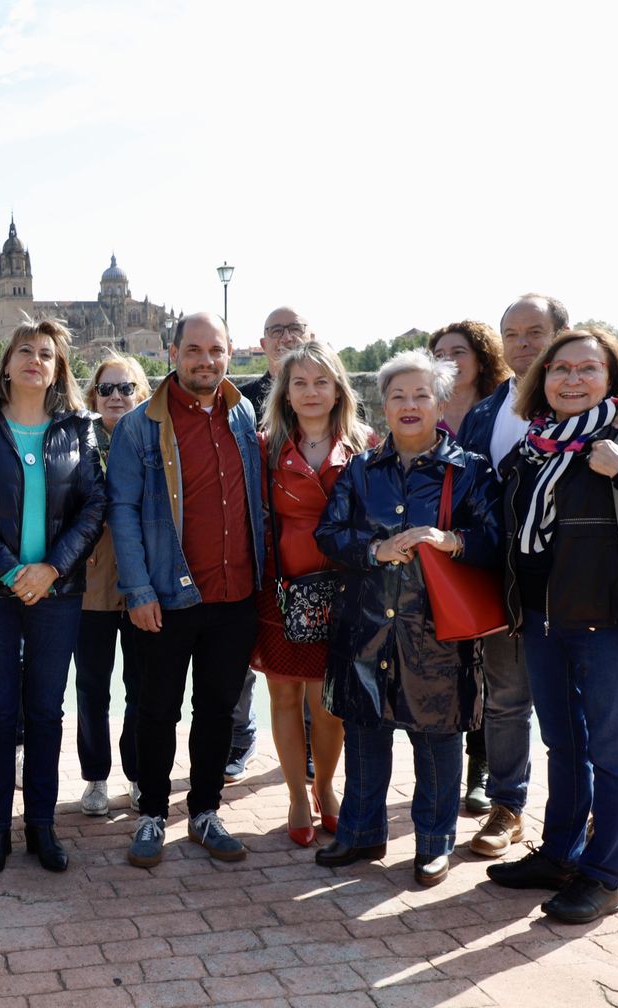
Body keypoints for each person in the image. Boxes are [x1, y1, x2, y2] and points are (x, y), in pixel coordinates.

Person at [487, 328, 618, 923]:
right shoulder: (532, 445)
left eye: (587, 370)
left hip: (606, 618)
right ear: (541, 380)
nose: (572, 380)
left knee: (611, 747)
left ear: (612, 379)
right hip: (539, 616)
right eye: (560, 370)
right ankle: (559, 854)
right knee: (564, 743)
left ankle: (605, 876)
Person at [313, 350, 501, 887]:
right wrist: (375, 551)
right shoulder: (359, 468)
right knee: (365, 733)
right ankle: (361, 830)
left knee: (438, 739)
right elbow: (329, 534)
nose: (409, 405)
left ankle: (433, 843)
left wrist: (454, 540)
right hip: (368, 625)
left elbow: (496, 542)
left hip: (435, 632)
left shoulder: (471, 472)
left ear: (440, 402)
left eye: (421, 394)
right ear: (384, 405)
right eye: (398, 395)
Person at [107, 312, 266, 867]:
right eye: (194, 349)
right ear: (172, 353)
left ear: (228, 354)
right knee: (156, 710)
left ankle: (204, 811)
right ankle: (152, 813)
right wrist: (137, 588)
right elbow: (121, 511)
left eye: (216, 350)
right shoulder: (139, 426)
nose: (206, 360)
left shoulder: (244, 413)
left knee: (218, 710)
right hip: (166, 596)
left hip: (235, 592)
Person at [0, 318, 104, 875]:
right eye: (24, 350)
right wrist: (8, 568)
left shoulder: (79, 428)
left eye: (46, 353)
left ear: (58, 367)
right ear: (6, 361)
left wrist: (50, 568)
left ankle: (40, 825)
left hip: (57, 590)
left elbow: (94, 505)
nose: (34, 360)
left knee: (45, 711)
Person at [250, 342, 375, 846]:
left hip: (344, 590)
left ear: (338, 388)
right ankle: (296, 795)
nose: (310, 392)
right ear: (285, 391)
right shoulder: (266, 445)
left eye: (321, 382)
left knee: (329, 703)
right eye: (299, 382)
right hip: (283, 590)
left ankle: (325, 786)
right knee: (283, 693)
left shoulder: (364, 444)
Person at [453, 295, 565, 853]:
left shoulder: (588, 405)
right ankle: (507, 807)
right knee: (505, 701)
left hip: (574, 585)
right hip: (506, 584)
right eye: (513, 334)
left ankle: (582, 814)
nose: (523, 344)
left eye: (535, 332)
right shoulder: (485, 412)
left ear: (562, 334)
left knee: (576, 707)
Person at [227, 306, 314, 782]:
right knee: (240, 650)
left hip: (306, 554)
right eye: (275, 331)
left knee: (307, 654)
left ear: (309, 335)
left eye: (293, 329)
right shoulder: (242, 400)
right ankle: (240, 738)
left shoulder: (328, 393)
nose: (285, 338)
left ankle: (305, 744)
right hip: (251, 548)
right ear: (261, 344)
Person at [429, 319, 511, 816]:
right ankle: (447, 772)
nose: (450, 360)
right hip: (437, 554)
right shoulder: (425, 403)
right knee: (450, 665)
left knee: (490, 668)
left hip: (487, 547)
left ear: (481, 356)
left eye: (459, 351)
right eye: (440, 352)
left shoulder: (507, 404)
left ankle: (482, 770)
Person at [73, 350, 151, 817]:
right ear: (93, 396)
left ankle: (139, 774)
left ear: (142, 394)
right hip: (91, 584)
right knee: (92, 688)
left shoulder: (156, 442)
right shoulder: (76, 444)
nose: (116, 396)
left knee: (142, 687)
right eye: (107, 389)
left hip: (143, 582)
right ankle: (96, 778)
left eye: (126, 388)